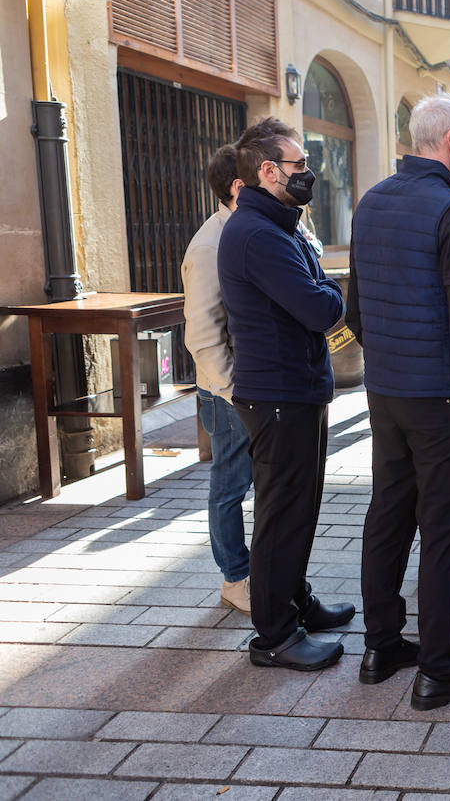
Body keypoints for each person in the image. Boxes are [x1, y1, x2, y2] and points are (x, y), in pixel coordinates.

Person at [347, 94, 450, 708]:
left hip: (386, 392)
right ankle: (439, 667)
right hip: (441, 395)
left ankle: (382, 643)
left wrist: (388, 363)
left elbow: (356, 308)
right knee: (441, 529)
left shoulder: (371, 201)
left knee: (387, 516)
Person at [219, 117, 355, 671]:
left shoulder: (280, 225)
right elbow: (322, 307)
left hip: (296, 388)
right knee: (281, 515)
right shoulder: (257, 234)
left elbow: (314, 293)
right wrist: (330, 291)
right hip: (278, 393)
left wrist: (321, 286)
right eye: (299, 166)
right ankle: (273, 634)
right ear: (268, 171)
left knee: (299, 509)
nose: (309, 173)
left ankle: (295, 603)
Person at [182, 145, 253, 615]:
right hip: (229, 391)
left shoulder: (249, 230)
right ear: (239, 186)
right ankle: (235, 578)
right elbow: (204, 333)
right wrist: (232, 392)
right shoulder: (210, 245)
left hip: (256, 387)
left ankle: (265, 574)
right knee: (230, 485)